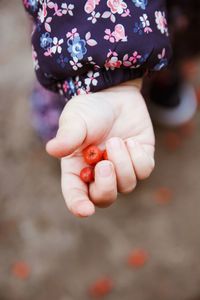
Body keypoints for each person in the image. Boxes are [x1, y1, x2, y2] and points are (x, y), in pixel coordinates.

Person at [22, 0, 197, 218]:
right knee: (69, 90)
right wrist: (105, 82)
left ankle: (162, 80)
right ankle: (65, 121)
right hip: (74, 33)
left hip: (182, 20)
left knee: (177, 43)